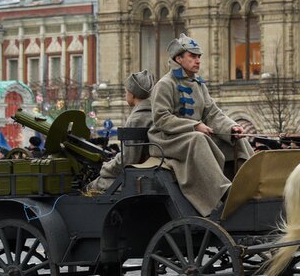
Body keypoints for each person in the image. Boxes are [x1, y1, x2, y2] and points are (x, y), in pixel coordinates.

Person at [148, 33, 254, 216]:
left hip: (192, 135)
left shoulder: (199, 85)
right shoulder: (165, 84)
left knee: (237, 140)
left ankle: (251, 182)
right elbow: (161, 118)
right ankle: (223, 192)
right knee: (198, 140)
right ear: (178, 58)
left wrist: (231, 128)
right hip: (167, 140)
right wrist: (194, 126)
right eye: (193, 56)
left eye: (199, 57)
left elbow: (212, 113)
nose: (198, 60)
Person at [87, 70, 155, 192]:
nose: (125, 94)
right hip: (152, 171)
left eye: (126, 91)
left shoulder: (136, 119)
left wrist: (106, 168)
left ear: (132, 94)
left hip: (139, 177)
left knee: (93, 186)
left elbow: (128, 158)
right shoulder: (156, 113)